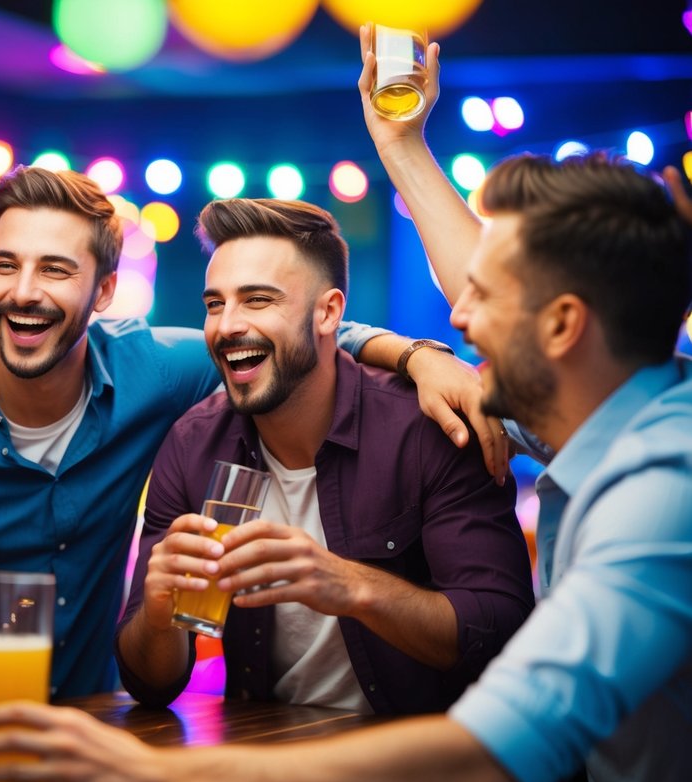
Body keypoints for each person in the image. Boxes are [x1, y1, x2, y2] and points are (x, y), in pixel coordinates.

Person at [0, 148, 692, 782]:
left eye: (484, 294)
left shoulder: (661, 490)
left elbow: (487, 755)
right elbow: (154, 671)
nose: (458, 321)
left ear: (564, 323)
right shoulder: (606, 448)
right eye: (214, 304)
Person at [0, 164, 502, 710]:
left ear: (101, 293)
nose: (23, 290)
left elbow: (287, 337)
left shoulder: (153, 375)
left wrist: (416, 355)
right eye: (6, 265)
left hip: (92, 730)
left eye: (54, 270)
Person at [116, 198, 533, 714]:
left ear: (329, 312)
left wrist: (349, 584)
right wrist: (158, 616)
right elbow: (150, 684)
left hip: (429, 766)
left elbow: (498, 633)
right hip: (270, 757)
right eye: (215, 304)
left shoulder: (426, 429)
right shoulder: (192, 442)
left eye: (257, 300)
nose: (226, 326)